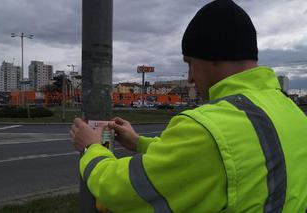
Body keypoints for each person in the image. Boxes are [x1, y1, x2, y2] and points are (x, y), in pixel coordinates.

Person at [70, 0, 307, 212]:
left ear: (214, 53)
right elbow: (218, 160)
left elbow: (120, 191)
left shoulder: (209, 129)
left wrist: (92, 148)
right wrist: (140, 143)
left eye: (190, 63)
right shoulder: (293, 113)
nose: (190, 77)